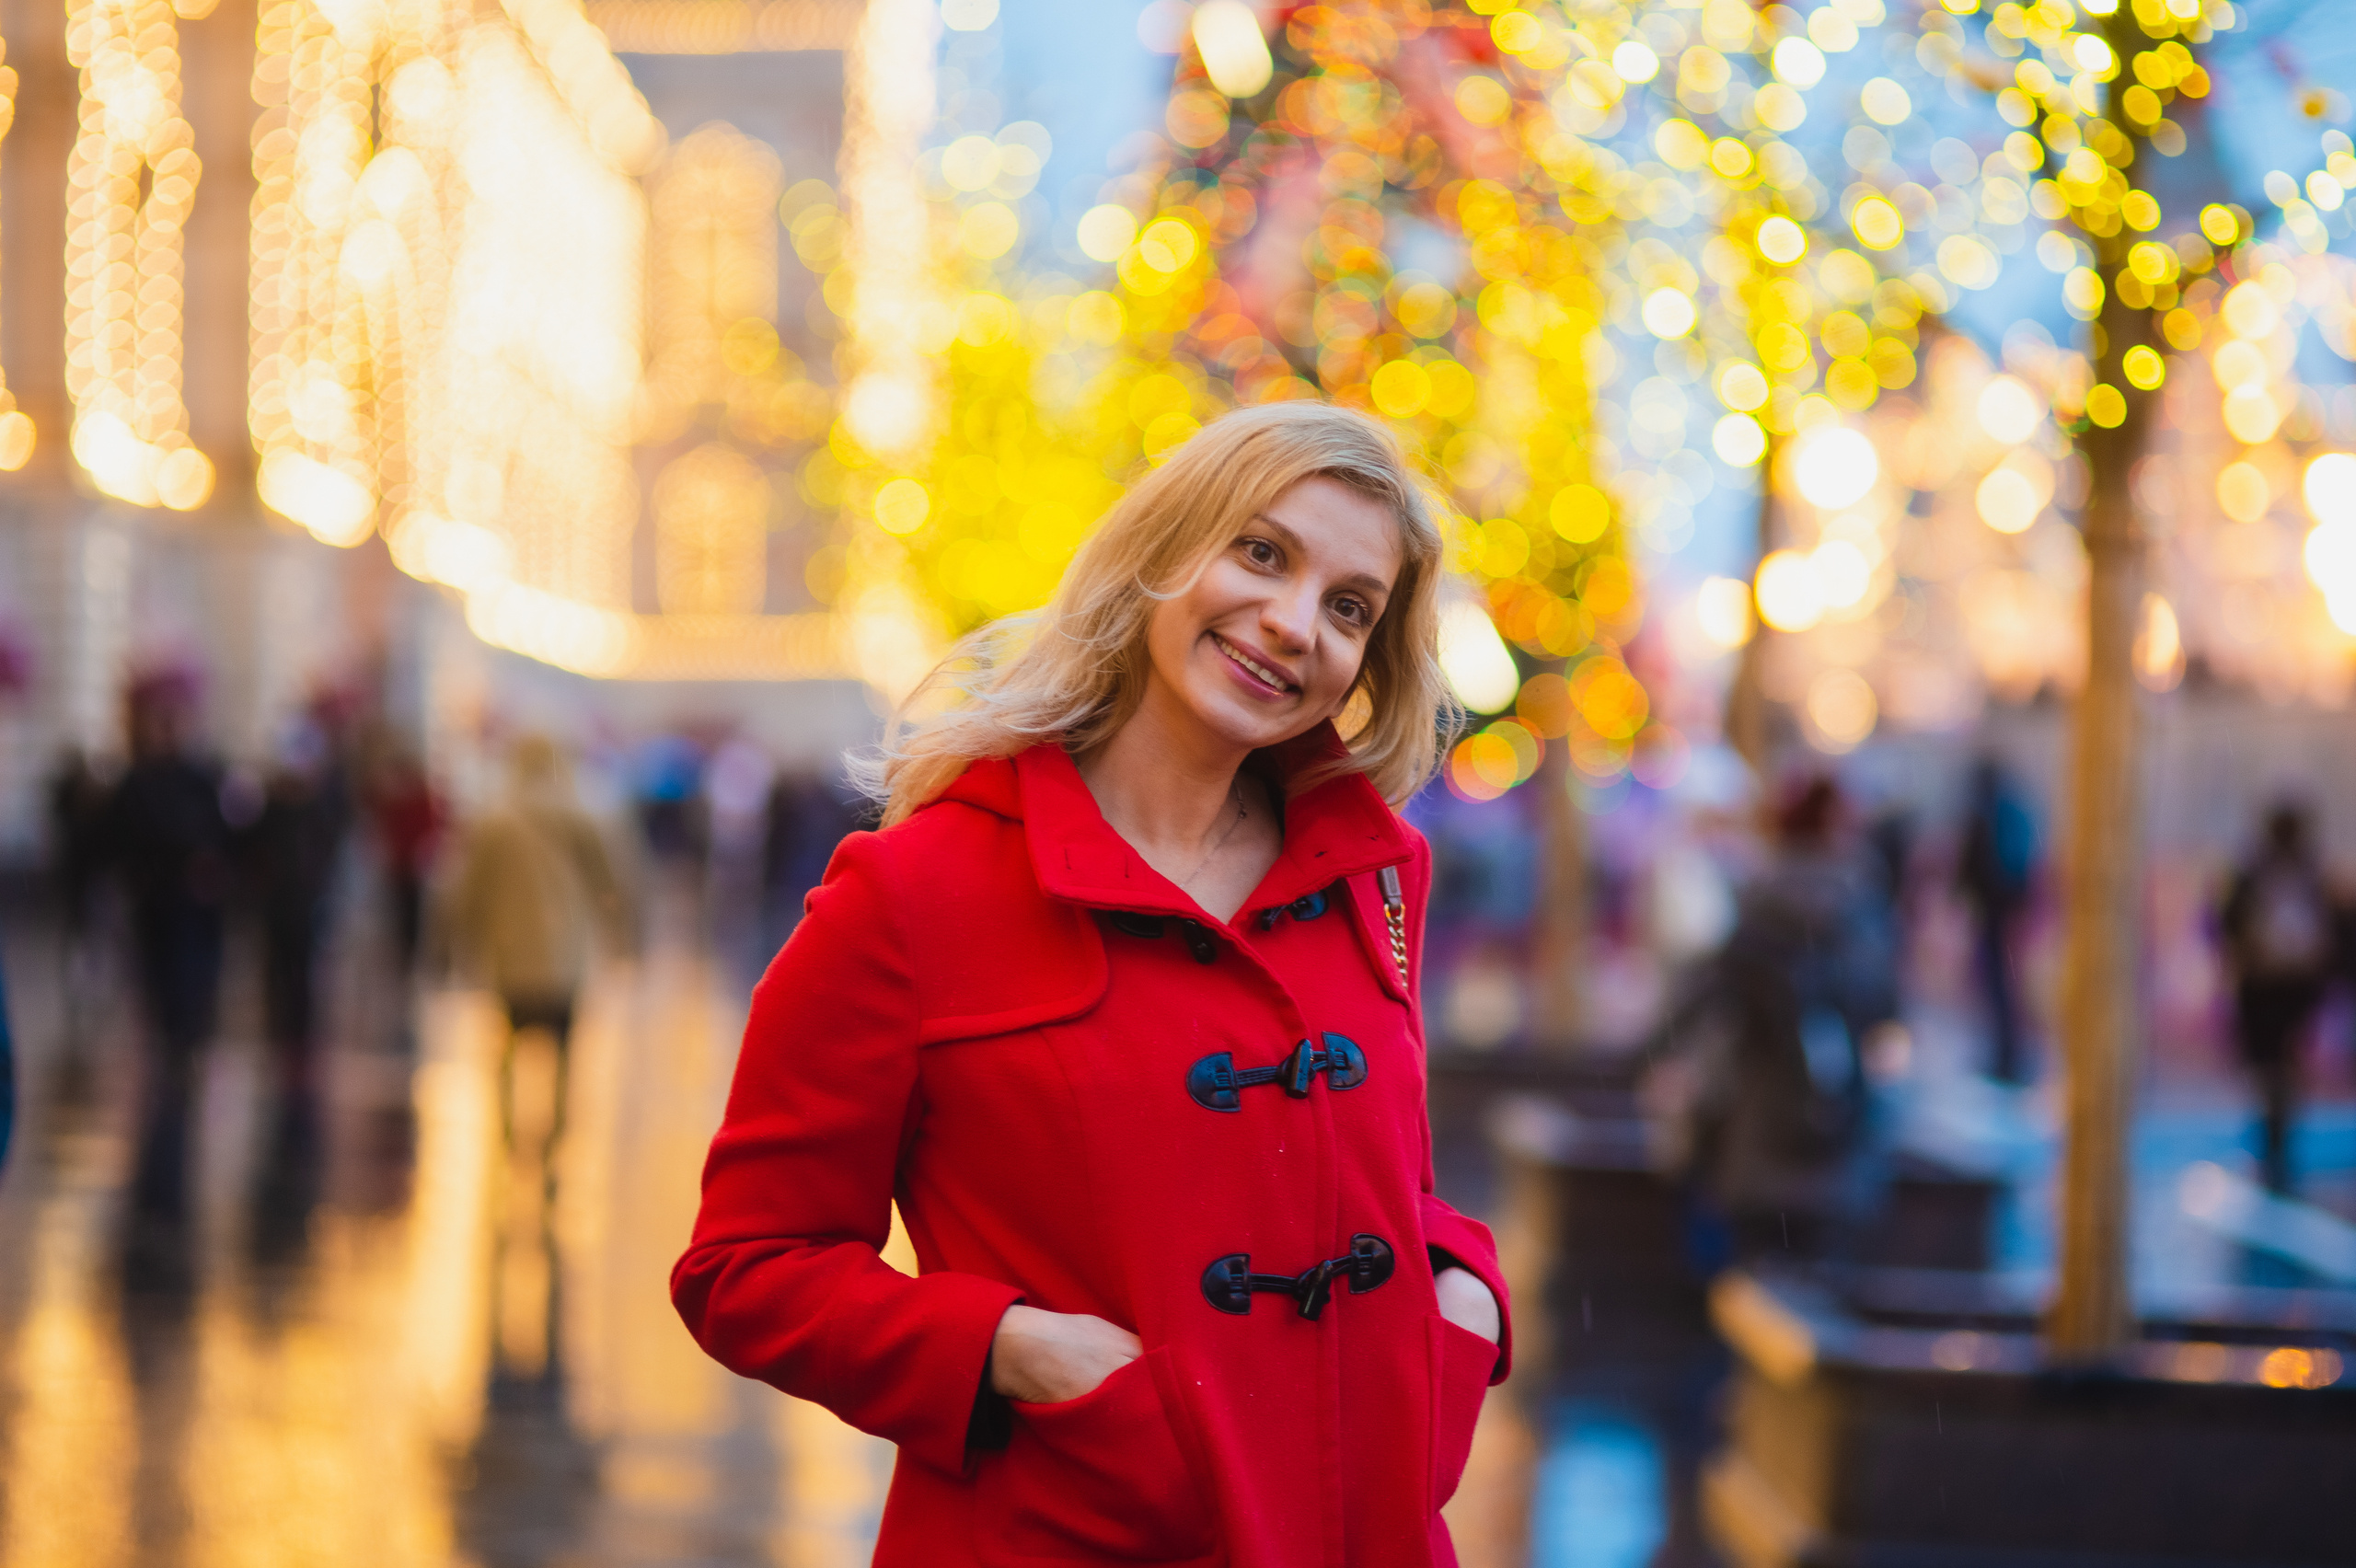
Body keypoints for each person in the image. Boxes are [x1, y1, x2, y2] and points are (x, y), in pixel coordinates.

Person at [672, 403, 1507, 1568]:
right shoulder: (913, 891)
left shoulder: (1373, 876)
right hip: (1070, 1532)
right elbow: (746, 1269)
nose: (1293, 622)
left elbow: (1383, 1185)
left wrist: (1463, 1295)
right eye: (1260, 552)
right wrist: (1010, 1349)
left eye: (1349, 607)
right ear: (1163, 549)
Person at [442, 735, 631, 1173]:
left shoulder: (494, 821)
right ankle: (555, 1133)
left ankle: (507, 1130)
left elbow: (467, 890)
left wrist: (454, 945)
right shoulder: (580, 817)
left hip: (511, 956)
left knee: (508, 1043)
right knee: (563, 1048)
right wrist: (621, 934)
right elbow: (611, 882)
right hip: (565, 955)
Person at [106, 668, 234, 1262]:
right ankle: (169, 1052)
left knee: (189, 997)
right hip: (157, 916)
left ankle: (180, 1052)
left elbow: (227, 839)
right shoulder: (139, 781)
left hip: (196, 919)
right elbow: (124, 843)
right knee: (164, 997)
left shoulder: (201, 777)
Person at [2220, 802, 2334, 1194]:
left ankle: (2277, 1144)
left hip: (2285, 991)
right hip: (2269, 991)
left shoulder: (2303, 877)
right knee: (2273, 1070)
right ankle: (2273, 1144)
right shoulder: (2265, 876)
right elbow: (2229, 925)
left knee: (2277, 1070)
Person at [1956, 756, 2038, 1083]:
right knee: (2005, 981)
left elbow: (1972, 857)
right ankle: (2009, 1055)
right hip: (2008, 902)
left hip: (1994, 905)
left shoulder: (1987, 810)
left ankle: (2006, 1057)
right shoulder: (2010, 807)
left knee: (1998, 982)